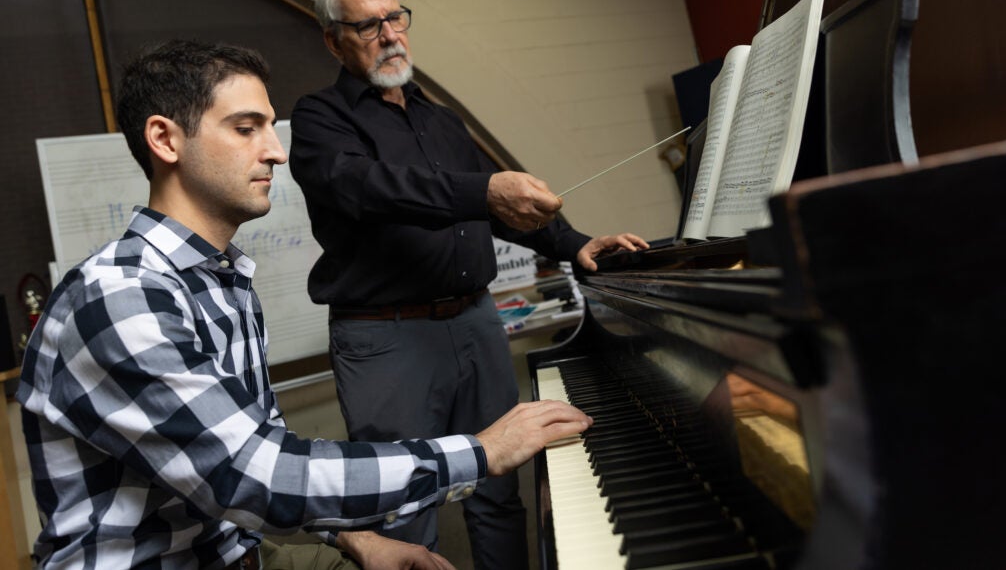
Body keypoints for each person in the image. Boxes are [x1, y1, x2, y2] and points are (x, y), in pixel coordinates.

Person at [16, 39, 591, 570]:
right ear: (165, 140)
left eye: (270, 127)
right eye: (246, 129)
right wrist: (482, 450)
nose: (276, 152)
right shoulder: (121, 298)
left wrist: (357, 538)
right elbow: (256, 475)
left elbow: (254, 449)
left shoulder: (222, 279)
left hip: (236, 547)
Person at [288, 0, 647, 568]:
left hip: (476, 325)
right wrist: (480, 192)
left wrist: (574, 242)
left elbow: (495, 204)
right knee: (402, 515)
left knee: (500, 494)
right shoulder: (321, 119)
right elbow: (368, 187)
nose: (390, 36)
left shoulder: (441, 118)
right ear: (334, 39)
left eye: (395, 18)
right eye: (368, 26)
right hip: (386, 340)